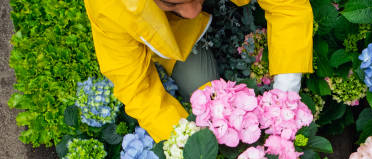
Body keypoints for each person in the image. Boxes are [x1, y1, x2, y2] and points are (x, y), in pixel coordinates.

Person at [83, 0, 313, 142]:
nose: (192, 10)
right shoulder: (110, 5)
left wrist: (285, 96)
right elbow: (137, 89)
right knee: (204, 93)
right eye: (171, 3)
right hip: (172, 29)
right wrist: (193, 145)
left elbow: (287, 6)